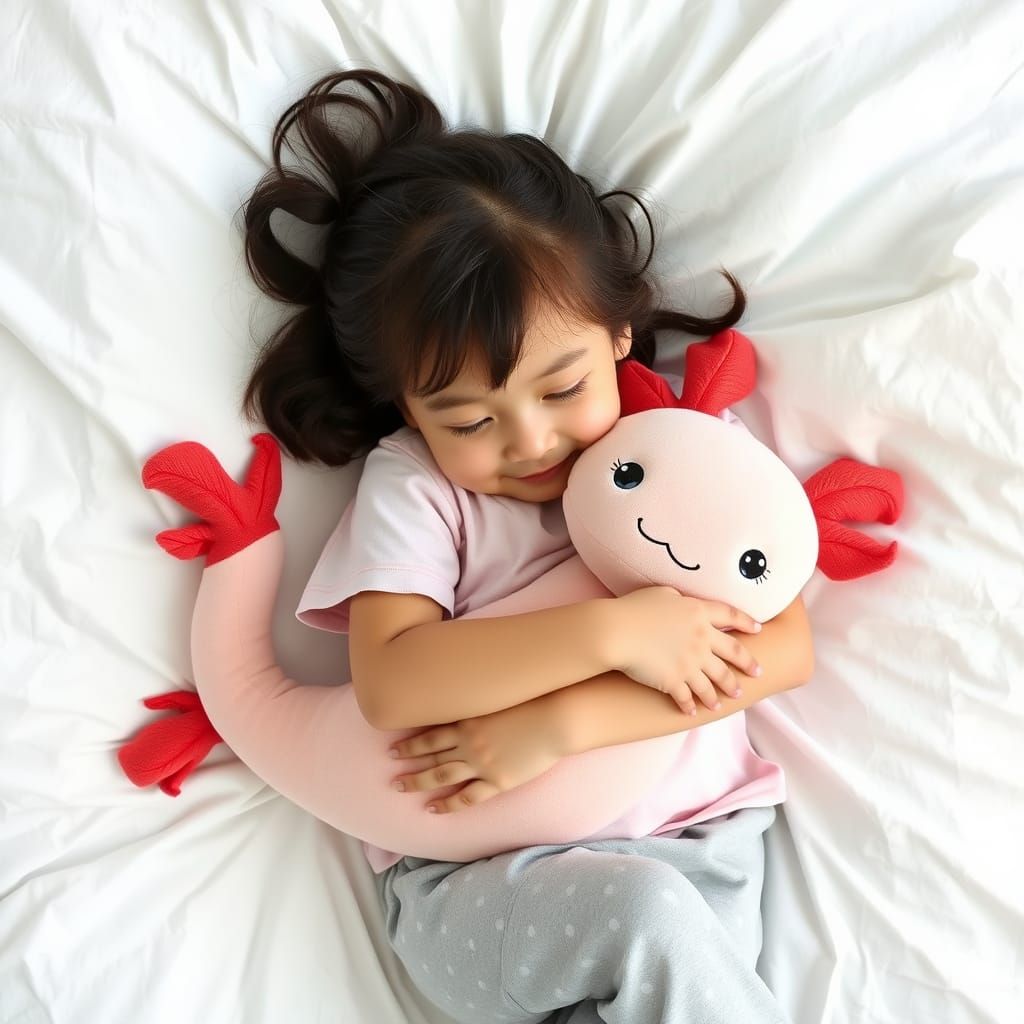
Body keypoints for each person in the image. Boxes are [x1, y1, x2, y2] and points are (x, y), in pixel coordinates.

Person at [242, 68, 813, 1024]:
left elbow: (784, 646)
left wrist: (560, 727)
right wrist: (614, 633)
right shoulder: (418, 485)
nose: (532, 441)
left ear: (617, 333)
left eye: (560, 387)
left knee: (658, 927)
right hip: (487, 886)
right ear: (409, 410)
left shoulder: (683, 452)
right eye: (468, 418)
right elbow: (393, 679)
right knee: (644, 917)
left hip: (700, 854)